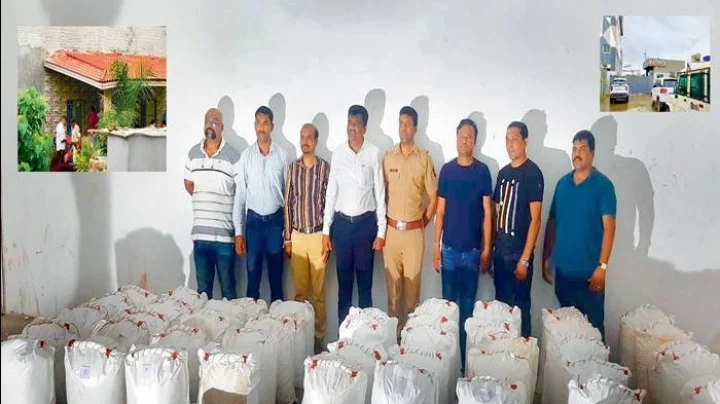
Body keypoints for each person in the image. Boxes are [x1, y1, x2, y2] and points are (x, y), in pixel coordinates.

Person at [542, 130, 617, 338]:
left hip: (590, 275)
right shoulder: (562, 184)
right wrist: (546, 257)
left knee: (593, 331)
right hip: (564, 272)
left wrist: (602, 267)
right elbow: (552, 222)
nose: (577, 154)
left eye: (583, 149)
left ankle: (598, 360)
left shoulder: (603, 186)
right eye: (574, 149)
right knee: (567, 331)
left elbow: (610, 228)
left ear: (592, 153)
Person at [434, 118, 493, 372]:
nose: (465, 141)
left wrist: (487, 249)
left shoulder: (482, 172)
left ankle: (464, 367)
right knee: (448, 309)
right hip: (448, 250)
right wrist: (435, 248)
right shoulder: (447, 171)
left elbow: (488, 213)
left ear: (475, 140)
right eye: (461, 137)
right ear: (456, 139)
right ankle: (447, 365)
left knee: (467, 309)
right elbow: (440, 211)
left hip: (472, 251)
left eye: (469, 137)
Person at [323, 105, 387, 325]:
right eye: (349, 123)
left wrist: (381, 232)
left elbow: (380, 192)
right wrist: (326, 230)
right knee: (344, 287)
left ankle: (366, 337)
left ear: (365, 128)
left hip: (365, 227)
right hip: (342, 226)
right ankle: (343, 337)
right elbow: (331, 193)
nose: (351, 129)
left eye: (356, 125)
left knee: (365, 287)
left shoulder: (374, 153)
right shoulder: (338, 153)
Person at [382, 106, 438, 333]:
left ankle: (410, 342)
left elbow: (433, 199)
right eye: (400, 123)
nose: (403, 128)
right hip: (391, 233)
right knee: (392, 295)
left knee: (412, 296)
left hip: (414, 234)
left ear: (415, 128)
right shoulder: (388, 158)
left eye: (407, 124)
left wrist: (421, 223)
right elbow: (382, 196)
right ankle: (393, 340)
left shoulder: (424, 159)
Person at [493, 121, 544, 338]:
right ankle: (502, 352)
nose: (510, 144)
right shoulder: (503, 173)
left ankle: (524, 353)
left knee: (521, 308)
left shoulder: (533, 173)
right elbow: (497, 213)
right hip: (500, 253)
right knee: (501, 308)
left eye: (514, 139)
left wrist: (525, 259)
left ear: (525, 142)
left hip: (519, 254)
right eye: (507, 139)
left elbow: (536, 219)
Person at [234, 106, 290, 303]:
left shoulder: (282, 155)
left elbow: (288, 196)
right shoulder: (246, 156)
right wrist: (239, 233)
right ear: (254, 125)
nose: (261, 127)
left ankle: (278, 319)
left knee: (276, 279)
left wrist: (288, 235)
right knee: (253, 279)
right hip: (254, 224)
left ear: (272, 126)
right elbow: (240, 195)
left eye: (265, 123)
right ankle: (252, 320)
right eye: (258, 122)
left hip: (275, 223)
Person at [184, 108, 241, 299]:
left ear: (222, 127)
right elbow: (188, 183)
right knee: (202, 293)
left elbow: (241, 192)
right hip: (200, 236)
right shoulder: (193, 153)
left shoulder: (233, 156)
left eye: (215, 122)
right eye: (208, 121)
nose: (211, 125)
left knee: (228, 292)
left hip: (225, 238)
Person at [283, 123, 331, 353]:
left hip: (318, 235)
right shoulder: (293, 168)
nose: (305, 141)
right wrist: (288, 239)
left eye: (309, 137)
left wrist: (328, 237)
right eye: (302, 137)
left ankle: (318, 339)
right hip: (298, 237)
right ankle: (300, 339)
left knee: (319, 294)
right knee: (300, 293)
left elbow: (329, 204)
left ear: (316, 141)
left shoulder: (324, 168)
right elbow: (287, 204)